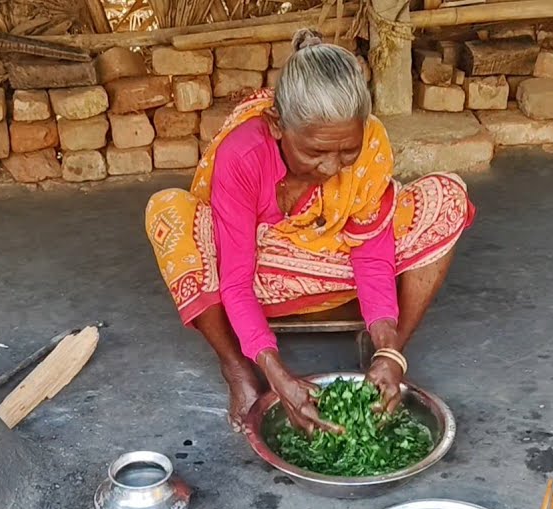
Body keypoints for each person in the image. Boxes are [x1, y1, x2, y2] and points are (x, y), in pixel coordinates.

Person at [145, 28, 475, 435]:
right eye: (315, 152)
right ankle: (236, 367)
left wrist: (389, 349)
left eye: (346, 151)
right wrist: (275, 374)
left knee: (446, 196)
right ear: (278, 124)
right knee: (169, 210)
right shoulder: (243, 153)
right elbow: (234, 281)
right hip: (256, 275)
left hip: (335, 268)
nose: (332, 167)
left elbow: (371, 255)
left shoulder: (371, 145)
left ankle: (387, 363)